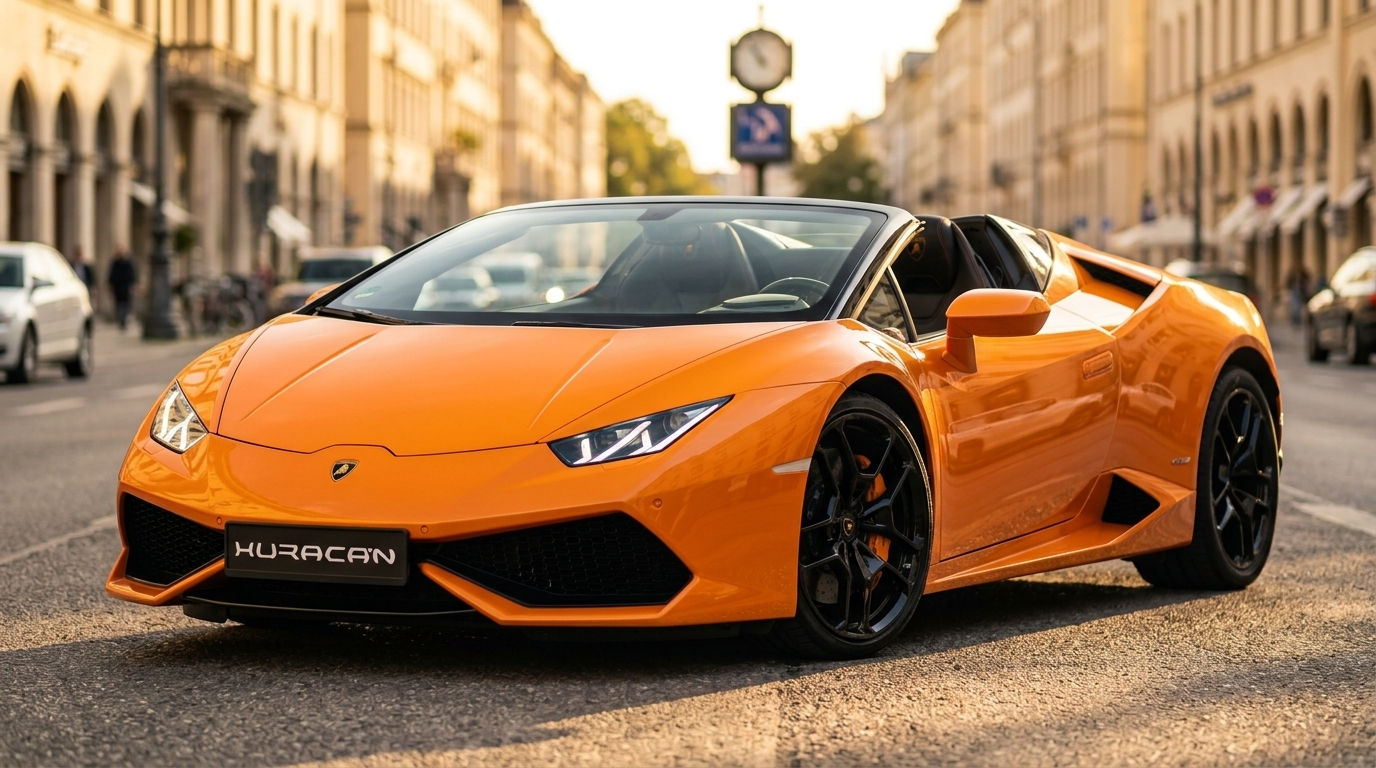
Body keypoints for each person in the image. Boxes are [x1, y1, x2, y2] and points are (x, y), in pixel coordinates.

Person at [108, 246, 137, 331]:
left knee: (125, 305)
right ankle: (121, 319)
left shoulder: (129, 263)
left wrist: (134, 286)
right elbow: (111, 275)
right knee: (118, 304)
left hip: (126, 288)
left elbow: (132, 276)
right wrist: (110, 285)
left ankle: (123, 319)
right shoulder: (115, 263)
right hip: (117, 288)